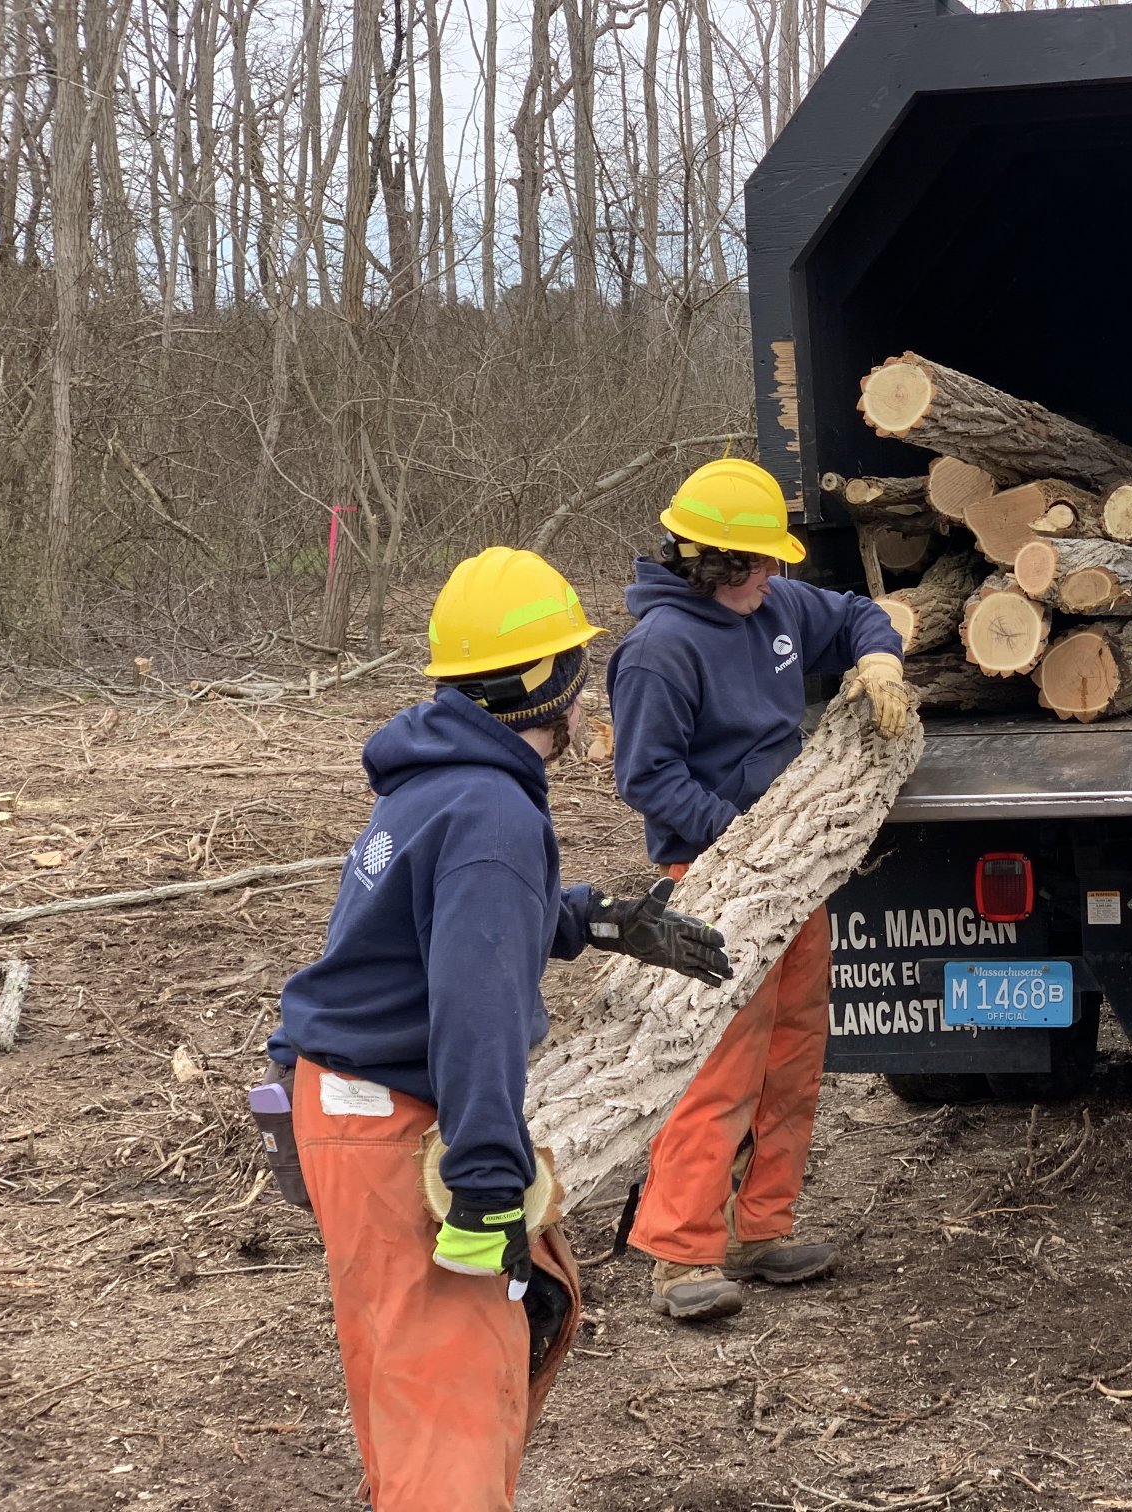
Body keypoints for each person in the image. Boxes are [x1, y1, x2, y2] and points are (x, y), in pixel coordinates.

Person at [269, 547, 732, 1511]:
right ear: (550, 686)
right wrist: (484, 1185)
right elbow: (474, 1013)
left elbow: (440, 920)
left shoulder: (436, 780)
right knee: (453, 1421)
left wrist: (595, 918)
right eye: (576, 668)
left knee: (418, 1403)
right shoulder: (490, 813)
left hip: (340, 1099)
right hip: (396, 1126)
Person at [609, 457, 910, 1322]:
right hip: (715, 878)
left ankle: (762, 1228)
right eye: (759, 564)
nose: (775, 577)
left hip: (797, 870)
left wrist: (880, 660)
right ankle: (682, 1253)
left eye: (777, 565)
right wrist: (743, 849)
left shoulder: (773, 607)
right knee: (719, 1065)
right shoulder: (659, 653)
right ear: (710, 563)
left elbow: (855, 614)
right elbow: (649, 777)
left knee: (793, 1052)